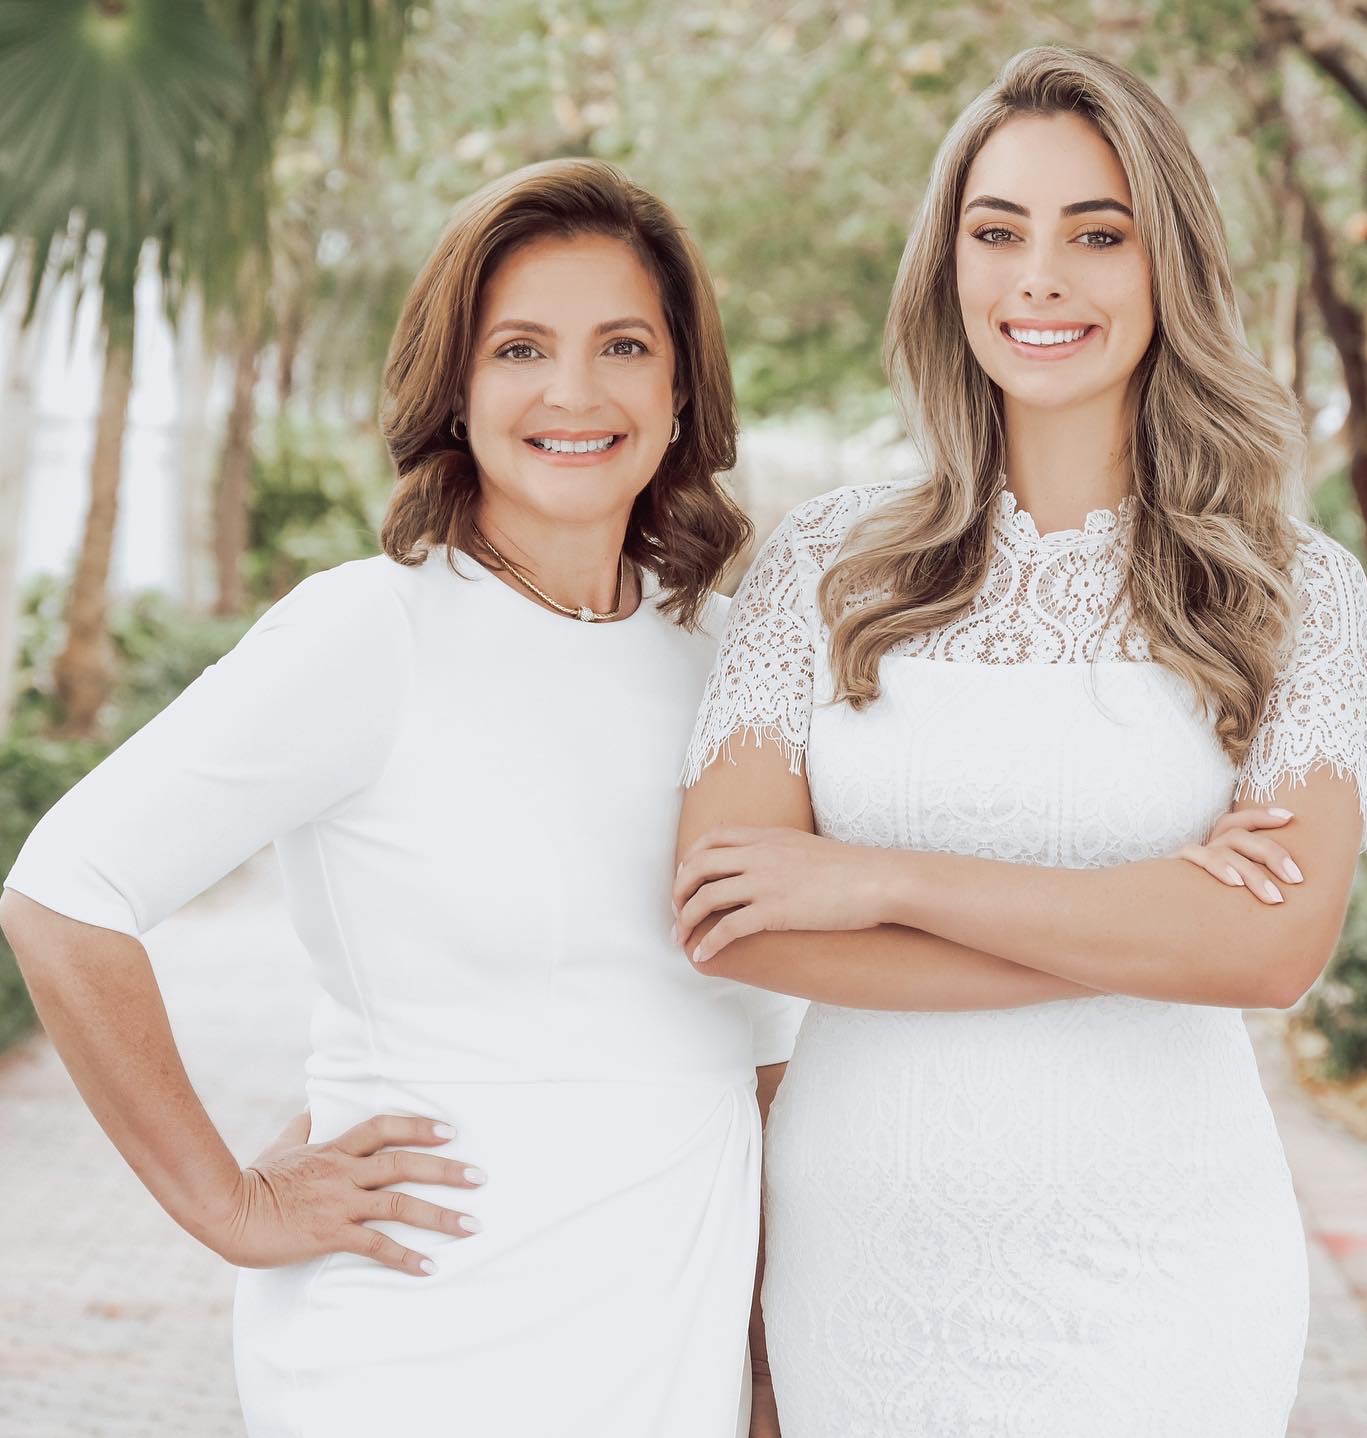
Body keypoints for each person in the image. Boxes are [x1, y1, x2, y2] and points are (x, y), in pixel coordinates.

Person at [0, 157, 803, 1437]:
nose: (573, 391)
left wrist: (766, 1363)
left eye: (623, 345)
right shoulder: (373, 630)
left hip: (671, 1328)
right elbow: (63, 891)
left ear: (680, 386)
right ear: (457, 386)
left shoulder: (727, 655)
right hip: (429, 1338)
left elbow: (763, 1046)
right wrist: (230, 1202)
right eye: (520, 348)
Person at [673, 46, 1367, 1438]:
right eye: (997, 233)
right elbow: (728, 918)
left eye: (1095, 234)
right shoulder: (825, 565)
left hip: (1168, 1260)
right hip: (869, 1253)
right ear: (949, 268)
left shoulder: (1295, 586)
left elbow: (1268, 950)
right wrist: (1145, 920)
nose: (1038, 279)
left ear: (1167, 264)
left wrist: (883, 877)